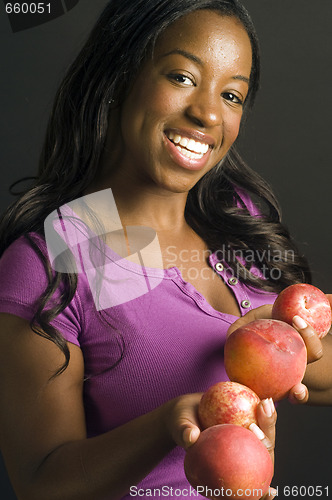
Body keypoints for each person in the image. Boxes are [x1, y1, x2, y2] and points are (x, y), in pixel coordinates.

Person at [0, 1, 331, 499]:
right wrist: (166, 425)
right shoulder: (67, 252)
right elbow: (41, 484)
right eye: (181, 77)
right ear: (119, 77)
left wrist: (285, 337)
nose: (208, 113)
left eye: (233, 95)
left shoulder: (235, 218)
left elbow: (315, 372)